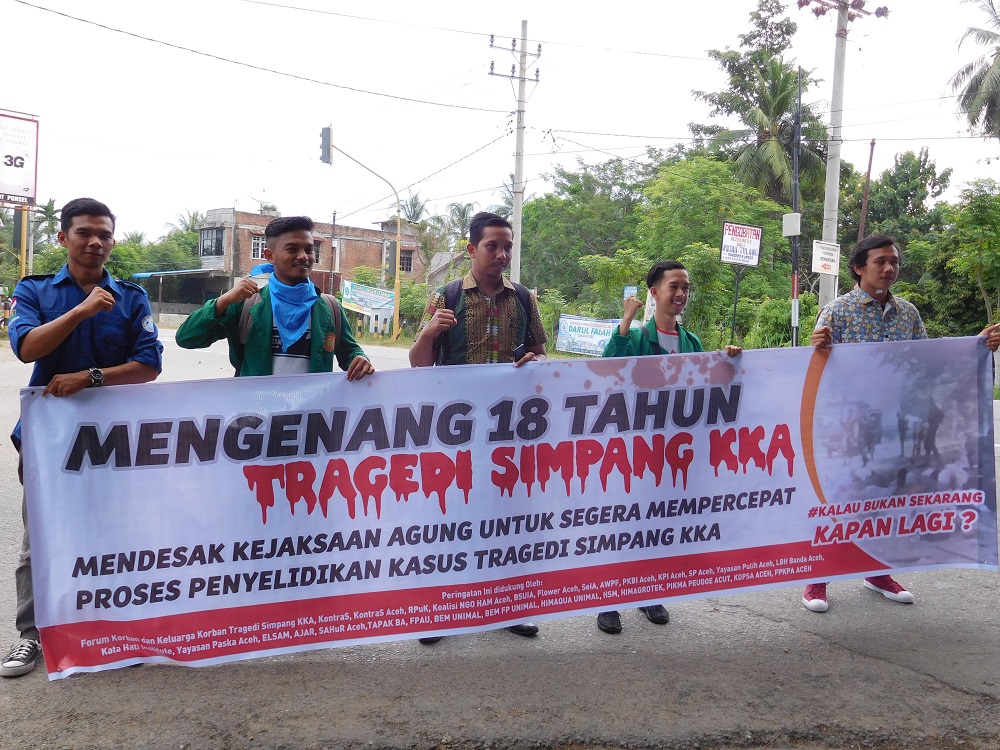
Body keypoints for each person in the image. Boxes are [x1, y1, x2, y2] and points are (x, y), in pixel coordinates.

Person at [1, 198, 163, 677]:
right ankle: (32, 636)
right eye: (85, 233)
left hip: (115, 437)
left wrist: (90, 377)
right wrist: (81, 310)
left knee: (114, 532)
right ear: (63, 238)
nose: (96, 242)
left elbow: (149, 365)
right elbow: (26, 346)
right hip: (49, 436)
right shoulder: (34, 290)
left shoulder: (131, 297)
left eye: (104, 235)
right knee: (42, 536)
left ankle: (112, 631)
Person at [803, 233, 1000, 613]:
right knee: (838, 501)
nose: (889, 268)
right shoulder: (836, 312)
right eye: (880, 261)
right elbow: (813, 370)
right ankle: (818, 579)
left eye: (893, 261)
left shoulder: (908, 313)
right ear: (858, 267)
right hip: (849, 426)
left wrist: (975, 345)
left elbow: (927, 362)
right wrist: (815, 349)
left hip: (896, 426)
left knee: (888, 500)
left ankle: (878, 572)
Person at [410, 211, 547, 643]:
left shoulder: (523, 298)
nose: (501, 254)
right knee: (450, 517)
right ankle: (440, 610)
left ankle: (507, 607)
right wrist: (429, 332)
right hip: (456, 432)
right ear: (471, 249)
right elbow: (419, 364)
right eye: (492, 246)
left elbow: (541, 354)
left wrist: (534, 363)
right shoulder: (446, 295)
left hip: (509, 429)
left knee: (507, 517)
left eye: (507, 247)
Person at [596, 259, 741, 635]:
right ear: (654, 292)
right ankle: (608, 600)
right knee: (623, 523)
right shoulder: (637, 337)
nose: (681, 294)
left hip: (673, 452)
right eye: (674, 286)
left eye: (686, 288)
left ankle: (649, 593)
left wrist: (729, 361)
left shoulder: (691, 342)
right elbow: (607, 371)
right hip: (634, 449)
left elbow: (709, 386)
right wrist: (625, 322)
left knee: (657, 524)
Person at [176, 215, 373, 380]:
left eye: (309, 249)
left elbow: (350, 353)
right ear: (269, 256)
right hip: (256, 413)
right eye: (292, 249)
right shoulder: (246, 304)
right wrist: (223, 301)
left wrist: (360, 359)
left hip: (311, 413)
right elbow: (186, 338)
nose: (304, 256)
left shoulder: (330, 308)